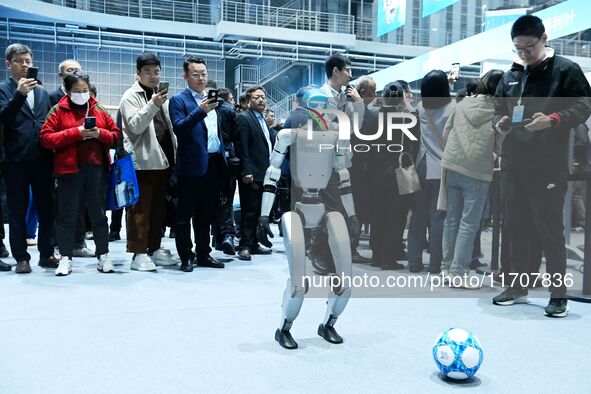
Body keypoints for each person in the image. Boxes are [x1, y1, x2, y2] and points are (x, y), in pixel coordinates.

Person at [491, 15, 591, 317]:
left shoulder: (566, 71)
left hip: (548, 166)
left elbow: (584, 105)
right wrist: (501, 124)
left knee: (549, 230)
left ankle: (558, 294)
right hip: (513, 164)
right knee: (514, 227)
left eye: (529, 47)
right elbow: (498, 108)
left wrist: (554, 120)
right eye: (518, 48)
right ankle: (517, 286)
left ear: (544, 39)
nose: (523, 54)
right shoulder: (511, 75)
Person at [40, 71, 120, 276]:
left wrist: (99, 134)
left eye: (85, 90)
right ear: (67, 91)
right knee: (67, 216)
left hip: (97, 170)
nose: (82, 94)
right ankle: (65, 258)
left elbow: (116, 136)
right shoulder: (58, 110)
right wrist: (76, 133)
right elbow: (46, 139)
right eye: (77, 91)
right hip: (69, 171)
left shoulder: (99, 109)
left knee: (99, 215)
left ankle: (103, 256)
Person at [439, 70, 504, 287]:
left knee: (451, 219)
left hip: (452, 165)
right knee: (469, 223)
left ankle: (446, 268)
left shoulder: (462, 104)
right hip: (477, 170)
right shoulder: (499, 111)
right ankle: (458, 272)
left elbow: (447, 133)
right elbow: (500, 145)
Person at [0, 43, 58, 273]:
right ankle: (22, 258)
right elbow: (4, 117)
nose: (25, 65)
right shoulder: (3, 89)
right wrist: (19, 95)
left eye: (28, 61)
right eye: (19, 61)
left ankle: (46, 254)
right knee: (17, 210)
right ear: (8, 64)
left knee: (47, 208)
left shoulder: (43, 93)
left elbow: (46, 122)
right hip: (15, 160)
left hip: (43, 159)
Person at [120, 53, 178, 271]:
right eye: (148, 72)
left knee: (158, 210)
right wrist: (153, 104)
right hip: (143, 162)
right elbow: (135, 126)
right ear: (138, 73)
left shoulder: (159, 95)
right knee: (139, 210)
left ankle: (153, 248)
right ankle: (138, 253)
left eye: (156, 72)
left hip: (164, 160)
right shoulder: (131, 96)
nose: (153, 76)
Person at [168, 56, 226, 272]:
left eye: (204, 74)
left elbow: (214, 133)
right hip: (191, 166)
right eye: (195, 74)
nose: (201, 78)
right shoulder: (179, 100)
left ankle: (204, 254)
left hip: (213, 164)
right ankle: (186, 256)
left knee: (205, 214)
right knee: (184, 215)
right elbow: (180, 128)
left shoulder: (211, 100)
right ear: (185, 76)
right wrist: (200, 110)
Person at [365, 81, 419, 270]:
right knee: (395, 216)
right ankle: (389, 258)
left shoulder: (371, 116)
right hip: (397, 173)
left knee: (377, 215)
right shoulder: (407, 118)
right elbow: (416, 143)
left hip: (373, 173)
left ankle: (376, 256)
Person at [407, 70, 455, 274]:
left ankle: (414, 262)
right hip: (442, 168)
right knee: (438, 219)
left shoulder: (420, 107)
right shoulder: (453, 108)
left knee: (417, 217)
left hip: (421, 165)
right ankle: (435, 264)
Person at [235, 86, 276, 261]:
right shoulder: (244, 118)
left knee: (259, 210)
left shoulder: (262, 119)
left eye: (263, 97)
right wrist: (246, 170)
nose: (261, 100)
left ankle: (253, 244)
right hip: (251, 173)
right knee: (249, 211)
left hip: (264, 172)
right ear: (249, 100)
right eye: (257, 97)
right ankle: (244, 245)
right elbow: (242, 146)